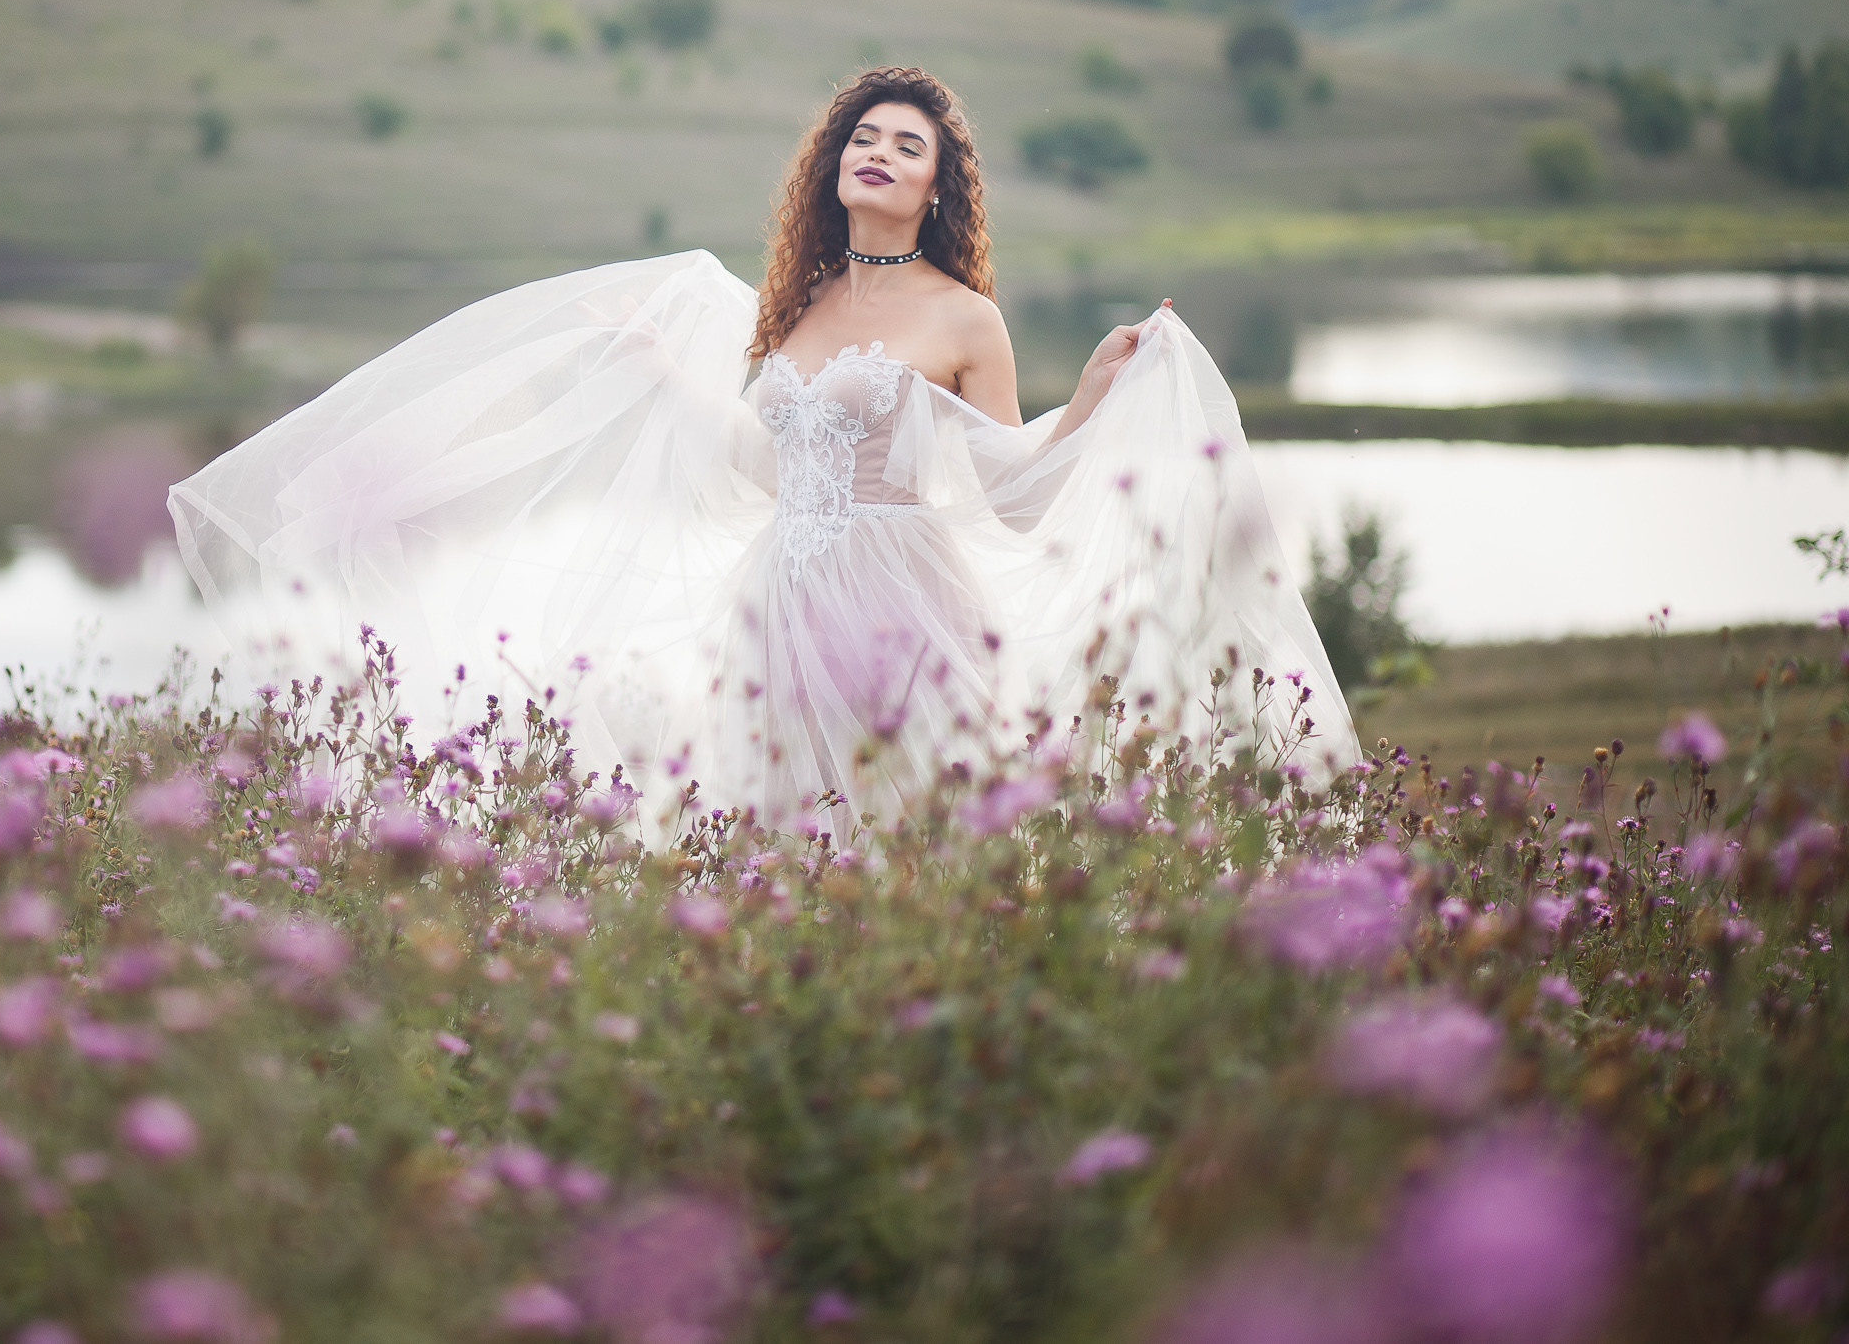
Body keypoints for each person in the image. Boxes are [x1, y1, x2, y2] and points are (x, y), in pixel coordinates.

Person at [171, 66, 1353, 830]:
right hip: (776, 604)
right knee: (789, 840)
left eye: (907, 147)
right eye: (862, 138)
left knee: (906, 832)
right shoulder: (797, 310)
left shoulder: (962, 317)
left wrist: (1089, 398)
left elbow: (1019, 502)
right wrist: (657, 377)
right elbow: (760, 470)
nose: (876, 153)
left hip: (903, 608)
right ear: (833, 165)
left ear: (938, 188)